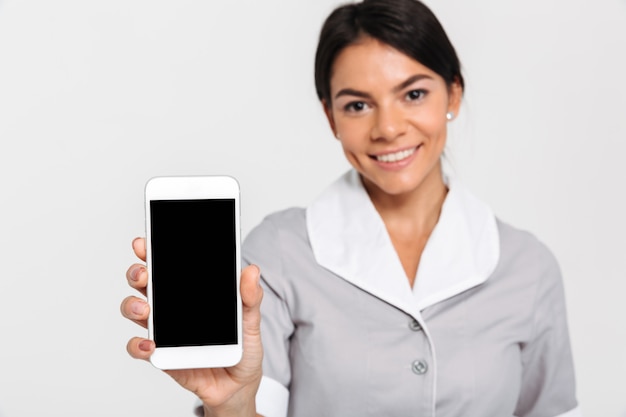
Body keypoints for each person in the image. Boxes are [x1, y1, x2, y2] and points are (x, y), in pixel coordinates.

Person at [121, 0, 581, 416]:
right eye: (358, 105)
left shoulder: (528, 268)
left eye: (413, 94)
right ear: (331, 118)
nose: (388, 128)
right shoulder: (279, 255)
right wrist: (233, 405)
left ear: (453, 95)